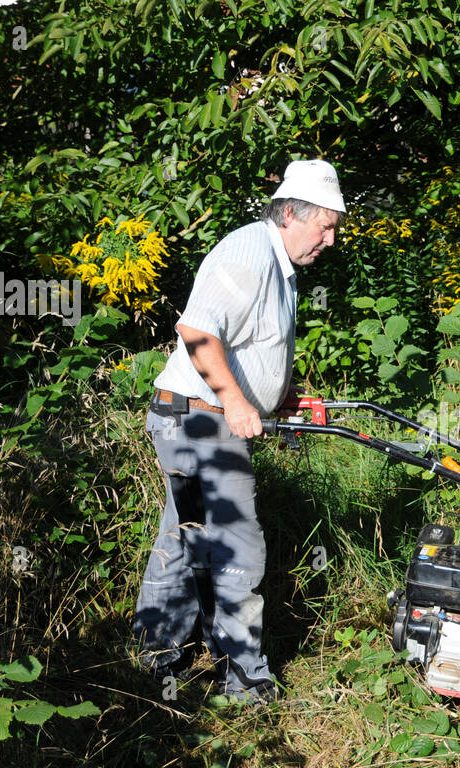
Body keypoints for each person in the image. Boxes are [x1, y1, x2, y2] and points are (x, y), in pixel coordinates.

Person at [132, 159, 346, 705]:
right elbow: (197, 331)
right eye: (324, 226)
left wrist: (279, 397)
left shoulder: (280, 264)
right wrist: (233, 400)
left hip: (196, 418)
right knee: (237, 545)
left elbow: (250, 344)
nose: (329, 239)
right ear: (290, 213)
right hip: (198, 421)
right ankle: (245, 675)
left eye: (335, 229)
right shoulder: (250, 250)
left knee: (186, 537)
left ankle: (155, 654)